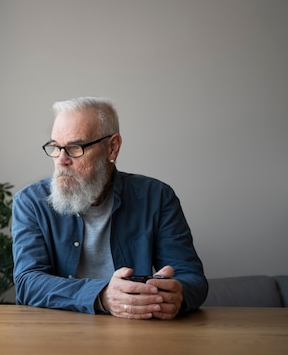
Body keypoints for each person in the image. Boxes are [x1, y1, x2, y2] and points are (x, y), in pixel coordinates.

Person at [12, 96, 207, 320]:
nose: (61, 160)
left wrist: (177, 295)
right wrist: (102, 296)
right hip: (57, 332)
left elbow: (191, 277)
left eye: (75, 147)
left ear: (112, 148)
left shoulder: (157, 197)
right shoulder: (31, 202)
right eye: (56, 147)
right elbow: (28, 282)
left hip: (136, 333)